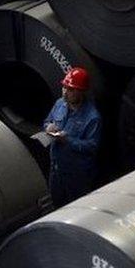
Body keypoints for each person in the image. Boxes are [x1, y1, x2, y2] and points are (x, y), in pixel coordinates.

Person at [43, 67, 102, 207]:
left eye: (70, 89)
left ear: (81, 92)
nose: (65, 92)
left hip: (77, 176)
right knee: (57, 205)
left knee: (76, 207)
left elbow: (92, 146)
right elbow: (47, 121)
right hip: (56, 170)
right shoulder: (59, 104)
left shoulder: (92, 117)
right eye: (64, 87)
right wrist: (48, 127)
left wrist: (67, 140)